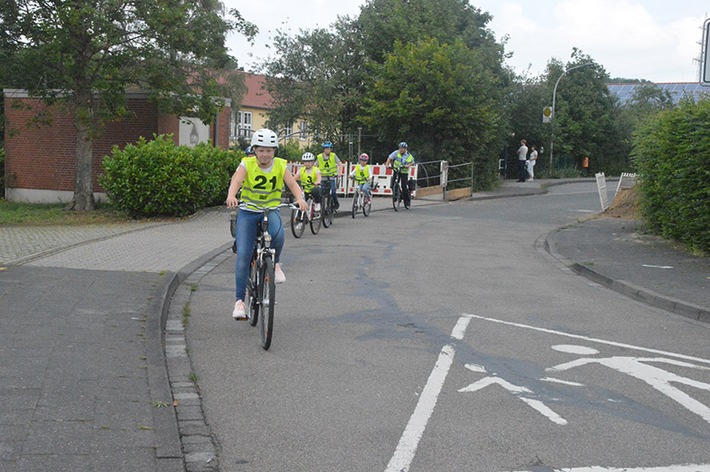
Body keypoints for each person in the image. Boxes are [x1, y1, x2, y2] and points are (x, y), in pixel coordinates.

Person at [225, 128, 307, 320]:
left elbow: (293, 184)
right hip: (248, 211)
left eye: (269, 150)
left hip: (270, 210)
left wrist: (300, 199)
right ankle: (239, 302)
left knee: (278, 235)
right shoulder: (247, 164)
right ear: (254, 150)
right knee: (244, 255)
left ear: (275, 151)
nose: (265, 154)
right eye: (261, 150)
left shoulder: (280, 165)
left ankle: (276, 264)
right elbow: (236, 181)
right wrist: (231, 195)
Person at [316, 141, 342, 210]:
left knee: (333, 191)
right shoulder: (319, 157)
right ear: (323, 149)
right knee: (321, 193)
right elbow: (315, 166)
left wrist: (340, 172)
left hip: (331, 177)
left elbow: (340, 163)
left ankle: (336, 203)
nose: (327, 150)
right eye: (326, 148)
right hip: (322, 177)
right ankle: (322, 208)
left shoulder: (333, 155)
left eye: (329, 148)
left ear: (331, 149)